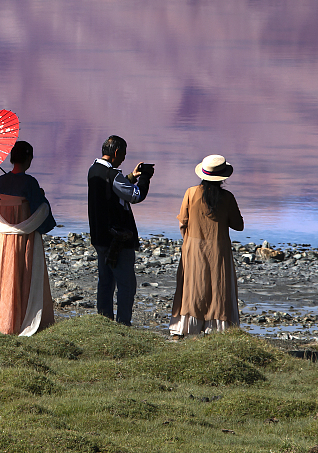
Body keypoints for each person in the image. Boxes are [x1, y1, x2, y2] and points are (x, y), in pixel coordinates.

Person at [170, 154, 245, 338]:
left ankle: (185, 327)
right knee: (218, 286)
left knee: (192, 286)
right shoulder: (227, 197)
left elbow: (182, 222)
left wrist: (189, 241)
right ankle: (216, 329)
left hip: (193, 248)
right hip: (218, 250)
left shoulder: (191, 193)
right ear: (223, 178)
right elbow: (238, 225)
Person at [0, 140, 57, 336]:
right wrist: (42, 197)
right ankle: (25, 320)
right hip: (25, 240)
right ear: (28, 159)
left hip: (4, 240)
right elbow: (41, 212)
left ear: (11, 158)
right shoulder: (30, 183)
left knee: (5, 274)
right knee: (24, 273)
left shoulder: (0, 182)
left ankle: (4, 321)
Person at [87, 135, 152, 326]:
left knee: (105, 281)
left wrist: (131, 176)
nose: (124, 157)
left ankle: (104, 321)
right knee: (126, 284)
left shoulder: (94, 170)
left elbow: (113, 189)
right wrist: (145, 178)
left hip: (99, 235)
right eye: (123, 153)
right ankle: (124, 323)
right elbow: (135, 196)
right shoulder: (112, 175)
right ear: (116, 153)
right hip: (117, 238)